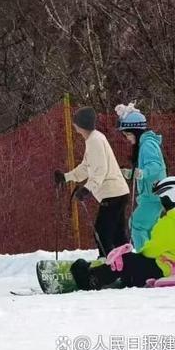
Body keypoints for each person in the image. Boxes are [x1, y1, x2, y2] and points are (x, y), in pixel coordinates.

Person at [68, 176, 175, 290]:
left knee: (126, 260)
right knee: (135, 264)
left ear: (169, 197)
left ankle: (91, 279)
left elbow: (151, 252)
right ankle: (128, 278)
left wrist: (134, 256)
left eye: (162, 198)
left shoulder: (169, 222)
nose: (161, 202)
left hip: (166, 269)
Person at [53, 106, 130, 257]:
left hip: (112, 194)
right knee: (117, 234)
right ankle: (125, 263)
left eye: (75, 122)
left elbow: (100, 169)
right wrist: (66, 177)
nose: (74, 126)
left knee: (102, 231)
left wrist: (87, 189)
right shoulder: (94, 138)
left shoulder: (94, 141)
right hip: (118, 193)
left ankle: (108, 264)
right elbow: (86, 167)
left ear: (81, 124)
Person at [115, 103, 167, 250]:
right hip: (150, 196)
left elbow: (156, 166)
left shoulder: (148, 145)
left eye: (128, 134)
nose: (127, 138)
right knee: (149, 228)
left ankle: (145, 256)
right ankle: (154, 255)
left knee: (136, 224)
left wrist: (142, 173)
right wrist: (130, 173)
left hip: (152, 196)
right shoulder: (144, 145)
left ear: (136, 131)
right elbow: (143, 170)